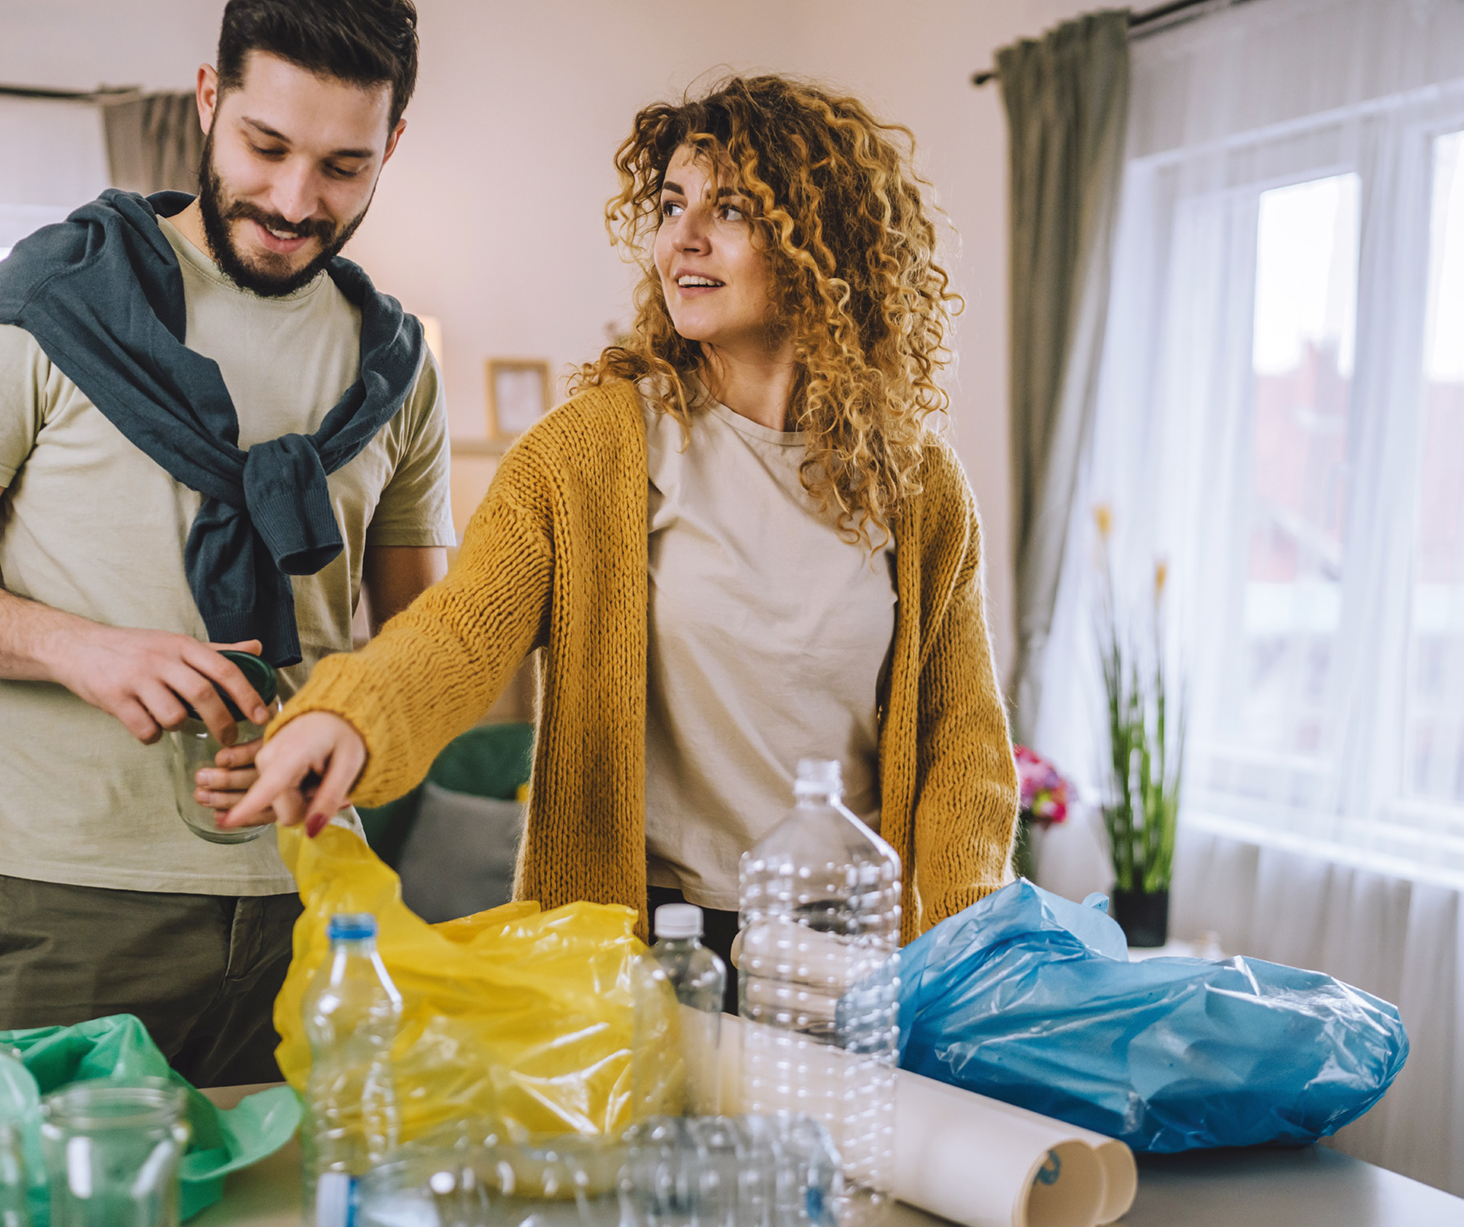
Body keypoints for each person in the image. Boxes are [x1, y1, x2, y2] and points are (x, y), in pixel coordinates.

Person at [228, 73, 1016, 984]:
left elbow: (962, 747)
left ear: (822, 242)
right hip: (652, 951)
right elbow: (459, 634)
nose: (683, 237)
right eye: (672, 205)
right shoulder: (594, 451)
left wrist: (968, 960)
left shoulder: (917, 487)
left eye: (730, 209)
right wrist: (349, 716)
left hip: (853, 953)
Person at [0, 0, 453, 1085]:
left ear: (393, 146)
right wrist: (76, 646)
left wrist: (348, 737)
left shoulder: (398, 369)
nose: (295, 201)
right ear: (208, 98)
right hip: (64, 902)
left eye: (343, 166)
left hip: (315, 903)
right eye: (266, 146)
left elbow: (426, 648)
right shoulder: (50, 304)